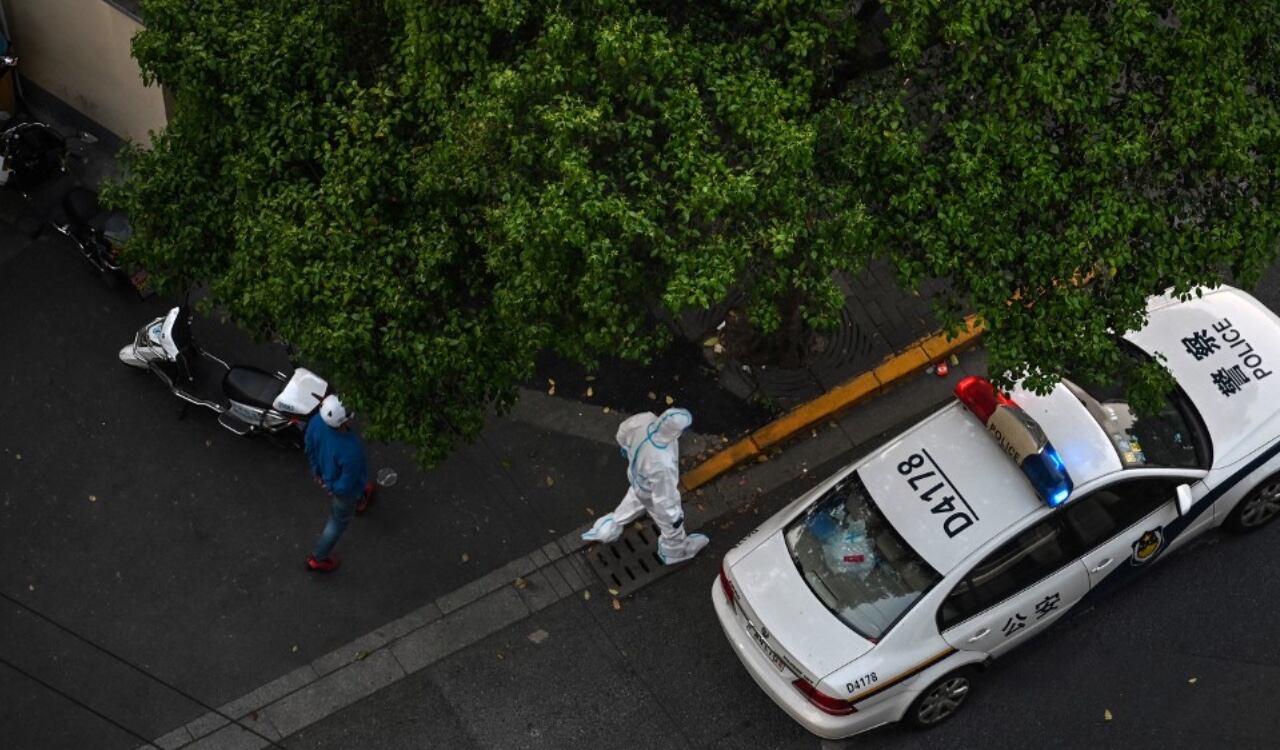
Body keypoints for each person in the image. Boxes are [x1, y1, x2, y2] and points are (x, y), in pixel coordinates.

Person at [582, 407, 710, 565]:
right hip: (650, 490)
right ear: (676, 432)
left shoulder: (644, 420)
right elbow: (665, 498)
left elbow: (623, 431)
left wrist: (626, 446)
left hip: (636, 478)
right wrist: (673, 518)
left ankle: (608, 529)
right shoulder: (662, 462)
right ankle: (673, 552)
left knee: (634, 501)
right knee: (670, 527)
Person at [303, 394, 371, 572]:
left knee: (353, 495)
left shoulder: (317, 421)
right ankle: (318, 557)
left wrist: (317, 472)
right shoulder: (351, 450)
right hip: (343, 490)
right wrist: (332, 488)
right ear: (342, 422)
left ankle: (361, 498)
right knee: (338, 522)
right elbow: (346, 484)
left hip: (326, 474)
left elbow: (310, 447)